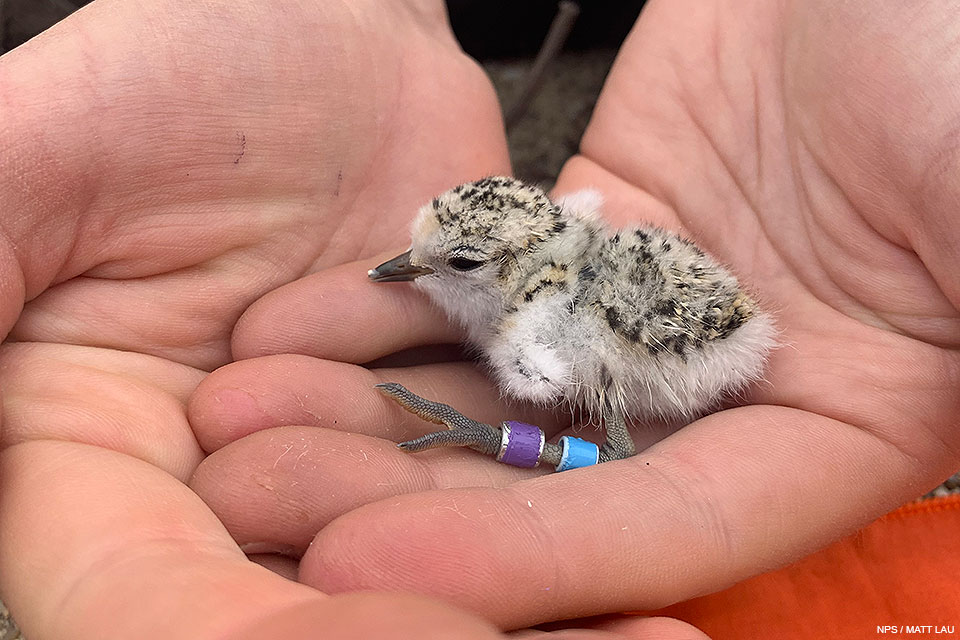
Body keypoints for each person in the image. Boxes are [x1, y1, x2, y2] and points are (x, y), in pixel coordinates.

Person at [1, 0, 957, 637]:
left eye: (448, 264)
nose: (412, 274)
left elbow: (589, 408)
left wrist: (482, 435)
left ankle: (498, 443)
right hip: (691, 307)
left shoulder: (538, 332)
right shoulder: (573, 229)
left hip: (681, 353)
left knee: (602, 448)